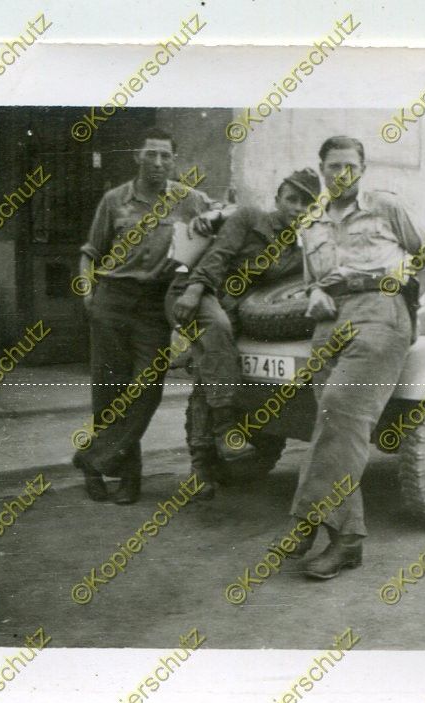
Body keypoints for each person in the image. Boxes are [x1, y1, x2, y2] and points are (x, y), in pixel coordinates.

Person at [280, 135, 425, 579]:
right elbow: (313, 278)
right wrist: (314, 293)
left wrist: (407, 304)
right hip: (330, 320)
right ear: (322, 169)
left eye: (350, 165)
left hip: (380, 312)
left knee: (339, 409)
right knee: (334, 426)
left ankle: (316, 526)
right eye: (333, 165)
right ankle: (342, 537)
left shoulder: (386, 206)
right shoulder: (311, 222)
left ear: (362, 169)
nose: (341, 173)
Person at [72, 127, 213, 504]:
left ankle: (92, 459)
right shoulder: (114, 200)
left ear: (174, 160)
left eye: (165, 155)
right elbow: (90, 252)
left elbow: (224, 215)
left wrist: (210, 224)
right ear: (137, 156)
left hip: (153, 305)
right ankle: (127, 476)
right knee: (109, 392)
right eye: (151, 154)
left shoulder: (188, 199)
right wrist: (87, 292)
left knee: (146, 390)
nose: (158, 162)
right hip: (111, 300)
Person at [167, 169, 322, 498]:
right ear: (277, 199)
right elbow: (218, 256)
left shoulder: (298, 249)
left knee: (209, 372)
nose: (298, 208)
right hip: (196, 292)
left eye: (306, 204)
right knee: (218, 334)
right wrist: (195, 290)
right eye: (292, 199)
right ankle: (225, 430)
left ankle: (200, 470)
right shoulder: (250, 218)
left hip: (232, 307)